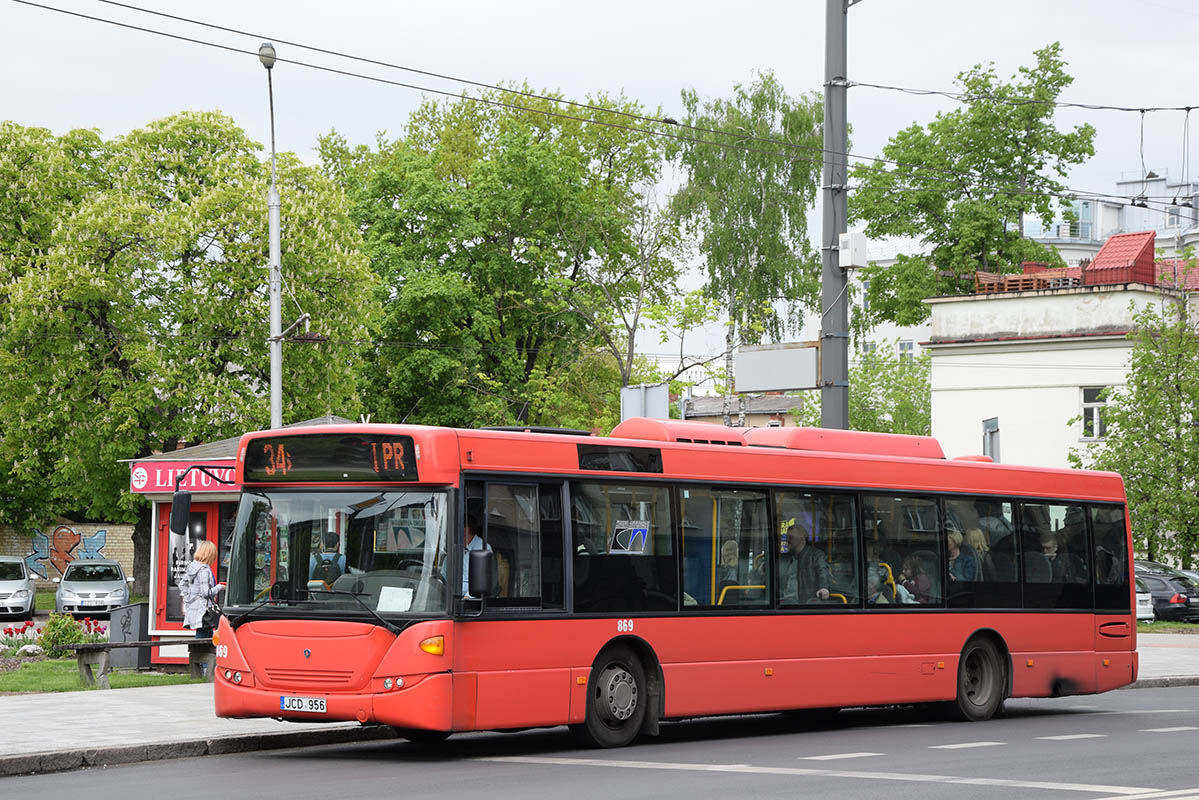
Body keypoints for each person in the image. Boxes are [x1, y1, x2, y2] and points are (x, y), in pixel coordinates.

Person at [778, 519, 832, 604]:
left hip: (803, 603)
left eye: (791, 537)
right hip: (784, 602)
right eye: (786, 537)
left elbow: (823, 572)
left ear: (802, 539)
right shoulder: (785, 558)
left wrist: (824, 588)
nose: (787, 540)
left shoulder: (816, 555)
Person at [181, 540, 224, 644]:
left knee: (209, 639)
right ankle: (202, 660)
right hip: (204, 612)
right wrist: (220, 587)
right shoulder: (204, 570)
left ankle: (206, 660)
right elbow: (206, 593)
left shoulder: (192, 567)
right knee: (201, 641)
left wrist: (191, 598)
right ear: (210, 554)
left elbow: (182, 584)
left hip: (198, 610)